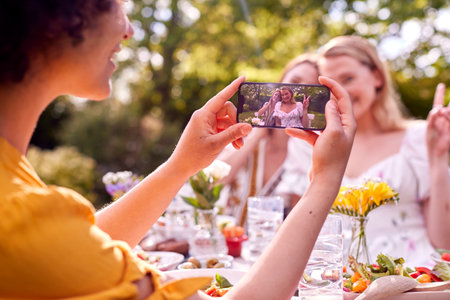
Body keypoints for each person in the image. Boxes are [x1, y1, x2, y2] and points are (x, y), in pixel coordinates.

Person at [0, 1, 358, 298]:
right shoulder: (19, 217)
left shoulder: (14, 187)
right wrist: (326, 179)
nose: (129, 30)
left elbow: (75, 250)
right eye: (117, 4)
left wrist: (181, 164)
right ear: (54, 15)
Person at [276, 35, 450, 267]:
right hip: (336, 285)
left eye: (348, 78)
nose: (341, 92)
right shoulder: (306, 143)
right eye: (329, 84)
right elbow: (299, 236)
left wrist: (438, 158)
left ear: (377, 77)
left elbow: (443, 244)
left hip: (413, 281)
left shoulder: (419, 138)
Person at [218, 54, 319, 220]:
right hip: (226, 241)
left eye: (309, 87)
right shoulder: (247, 135)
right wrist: (257, 135)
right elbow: (211, 183)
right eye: (294, 81)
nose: (297, 90)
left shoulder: (307, 156)